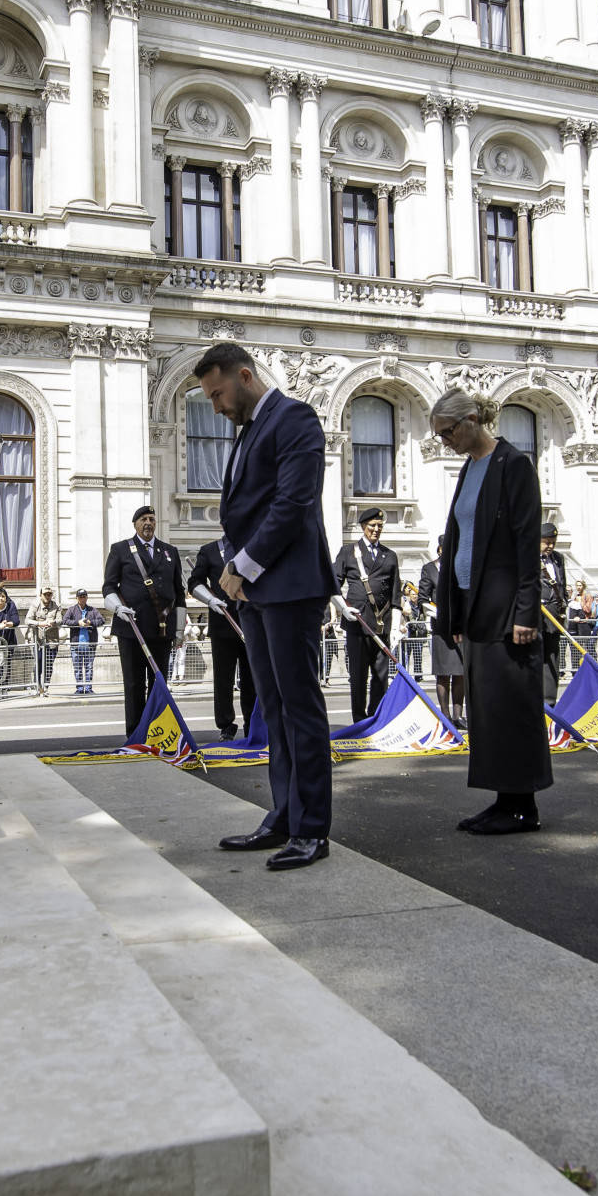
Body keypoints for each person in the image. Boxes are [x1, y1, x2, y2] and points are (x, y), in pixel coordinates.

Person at [198, 342, 336, 871]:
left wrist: (242, 565)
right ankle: (284, 815)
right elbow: (243, 512)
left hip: (290, 587)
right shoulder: (252, 427)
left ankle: (311, 828)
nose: (215, 405)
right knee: (272, 708)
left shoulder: (294, 417)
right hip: (256, 590)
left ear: (245, 374)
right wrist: (235, 566)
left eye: (217, 393)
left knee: (300, 708)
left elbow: (293, 503)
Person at [432, 388, 552, 835]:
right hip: (475, 604)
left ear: (468, 422)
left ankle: (522, 805)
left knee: (514, 707)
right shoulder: (470, 469)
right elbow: (461, 541)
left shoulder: (514, 465)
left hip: (507, 609)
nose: (444, 442)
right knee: (489, 710)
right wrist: (455, 614)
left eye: (446, 433)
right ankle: (503, 798)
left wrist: (526, 612)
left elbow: (525, 544)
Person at [103, 505, 186, 736]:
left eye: (151, 518)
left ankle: (156, 732)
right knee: (134, 684)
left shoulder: (169, 551)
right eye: (143, 519)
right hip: (132, 628)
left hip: (162, 628)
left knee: (159, 684)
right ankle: (135, 734)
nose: (148, 523)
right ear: (135, 524)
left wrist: (179, 630)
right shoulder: (120, 550)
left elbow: (179, 593)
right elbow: (108, 586)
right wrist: (117, 607)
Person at [334, 508, 402, 722]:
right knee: (359, 676)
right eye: (372, 526)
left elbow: (396, 594)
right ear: (363, 527)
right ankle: (359, 719)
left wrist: (396, 626)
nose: (376, 530)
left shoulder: (389, 555)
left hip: (382, 625)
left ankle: (376, 717)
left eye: (379, 526)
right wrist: (343, 608)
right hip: (357, 622)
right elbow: (333, 584)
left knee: (381, 676)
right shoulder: (348, 552)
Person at [191, 537, 257, 739]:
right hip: (222, 625)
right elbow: (194, 582)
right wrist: (210, 599)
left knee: (251, 680)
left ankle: (252, 724)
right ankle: (226, 725)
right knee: (223, 680)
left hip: (250, 623)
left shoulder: (251, 548)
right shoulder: (209, 550)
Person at [419, 539, 467, 725]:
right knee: (444, 673)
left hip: (461, 628)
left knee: (460, 672)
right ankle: (445, 715)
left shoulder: (462, 569)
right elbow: (423, 598)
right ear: (440, 549)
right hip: (441, 628)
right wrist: (441, 613)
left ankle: (458, 715)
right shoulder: (430, 569)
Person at [536, 524, 570, 697]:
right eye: (546, 542)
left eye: (553, 542)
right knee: (536, 658)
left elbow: (561, 584)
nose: (550, 546)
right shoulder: (528, 558)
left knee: (552, 658)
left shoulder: (558, 558)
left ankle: (549, 700)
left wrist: (563, 606)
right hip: (536, 616)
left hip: (554, 616)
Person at [64, 589, 105, 693]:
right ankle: (79, 688)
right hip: (76, 644)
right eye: (80, 597)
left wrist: (91, 622)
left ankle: (88, 688)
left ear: (87, 597)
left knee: (89, 668)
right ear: (77, 598)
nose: (82, 598)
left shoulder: (92, 610)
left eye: (84, 596)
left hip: (90, 644)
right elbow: (65, 621)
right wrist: (78, 623)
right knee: (77, 669)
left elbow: (102, 620)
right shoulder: (71, 610)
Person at [28, 586, 64, 694]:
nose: (47, 596)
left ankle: (46, 685)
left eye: (49, 594)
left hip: (52, 641)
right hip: (38, 641)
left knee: (48, 664)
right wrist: (39, 623)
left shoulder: (56, 606)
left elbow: (60, 620)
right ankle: (37, 685)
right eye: (45, 594)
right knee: (38, 663)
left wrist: (53, 622)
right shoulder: (35, 605)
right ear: (40, 595)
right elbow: (27, 620)